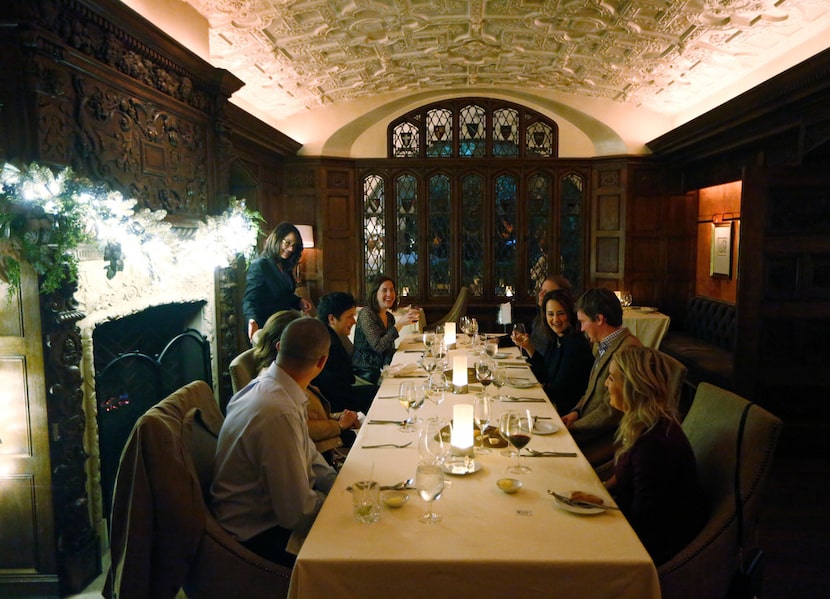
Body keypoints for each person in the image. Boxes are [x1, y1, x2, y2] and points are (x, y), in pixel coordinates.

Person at [211, 318, 337, 568]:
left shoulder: (279, 389)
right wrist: (343, 508)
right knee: (360, 549)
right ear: (322, 362)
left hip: (267, 515)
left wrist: (341, 487)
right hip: (254, 535)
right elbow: (296, 513)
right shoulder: (279, 411)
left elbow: (310, 456)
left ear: (279, 347)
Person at [604, 347, 707, 565]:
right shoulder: (643, 423)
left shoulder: (653, 444)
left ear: (633, 388)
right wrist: (596, 492)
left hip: (649, 553)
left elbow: (646, 523)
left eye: (612, 378)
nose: (606, 384)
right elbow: (624, 476)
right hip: (632, 526)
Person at [253, 310, 360, 461]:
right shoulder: (277, 394)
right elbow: (303, 427)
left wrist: (339, 417)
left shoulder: (287, 376)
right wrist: (340, 425)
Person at [561, 288, 642, 466]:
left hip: (606, 439)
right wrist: (576, 412)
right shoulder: (603, 345)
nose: (581, 328)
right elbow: (592, 391)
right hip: (588, 428)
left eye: (583, 322)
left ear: (599, 319)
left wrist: (572, 430)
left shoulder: (627, 351)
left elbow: (612, 412)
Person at [514, 289, 594, 414]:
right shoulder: (557, 338)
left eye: (561, 313)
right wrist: (529, 347)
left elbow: (560, 390)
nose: (555, 319)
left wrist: (523, 395)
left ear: (570, 314)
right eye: (550, 314)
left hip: (567, 413)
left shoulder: (576, 344)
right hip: (554, 405)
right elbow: (543, 374)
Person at [242, 222, 313, 341]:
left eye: (294, 245)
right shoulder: (260, 266)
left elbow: (283, 295)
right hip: (266, 328)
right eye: (287, 243)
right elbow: (249, 299)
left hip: (282, 326)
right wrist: (251, 320)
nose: (291, 249)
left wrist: (298, 301)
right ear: (276, 239)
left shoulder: (285, 265)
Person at [312, 291, 378, 413]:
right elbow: (338, 391)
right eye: (349, 317)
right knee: (380, 395)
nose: (354, 321)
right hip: (333, 404)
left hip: (338, 396)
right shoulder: (330, 346)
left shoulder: (326, 335)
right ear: (332, 319)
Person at [352, 275, 419, 383]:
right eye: (384, 290)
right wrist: (399, 325)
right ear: (375, 294)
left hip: (383, 368)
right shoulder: (366, 313)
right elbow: (379, 347)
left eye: (392, 290)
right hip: (366, 372)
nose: (390, 294)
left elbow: (388, 348)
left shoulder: (389, 317)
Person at [528, 275, 572, 355]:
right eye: (541, 290)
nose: (540, 295)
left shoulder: (563, 331)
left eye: (546, 292)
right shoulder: (541, 316)